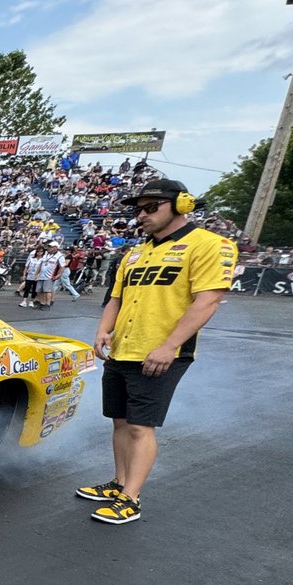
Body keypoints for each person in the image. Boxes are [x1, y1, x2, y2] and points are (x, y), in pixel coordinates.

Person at [81, 178, 238, 525]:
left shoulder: (210, 245)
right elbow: (115, 298)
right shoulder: (135, 253)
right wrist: (102, 331)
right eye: (139, 209)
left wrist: (169, 346)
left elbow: (208, 299)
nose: (142, 215)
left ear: (181, 204)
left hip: (161, 352)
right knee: (119, 422)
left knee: (140, 427)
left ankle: (131, 498)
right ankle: (118, 483)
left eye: (151, 207)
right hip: (123, 349)